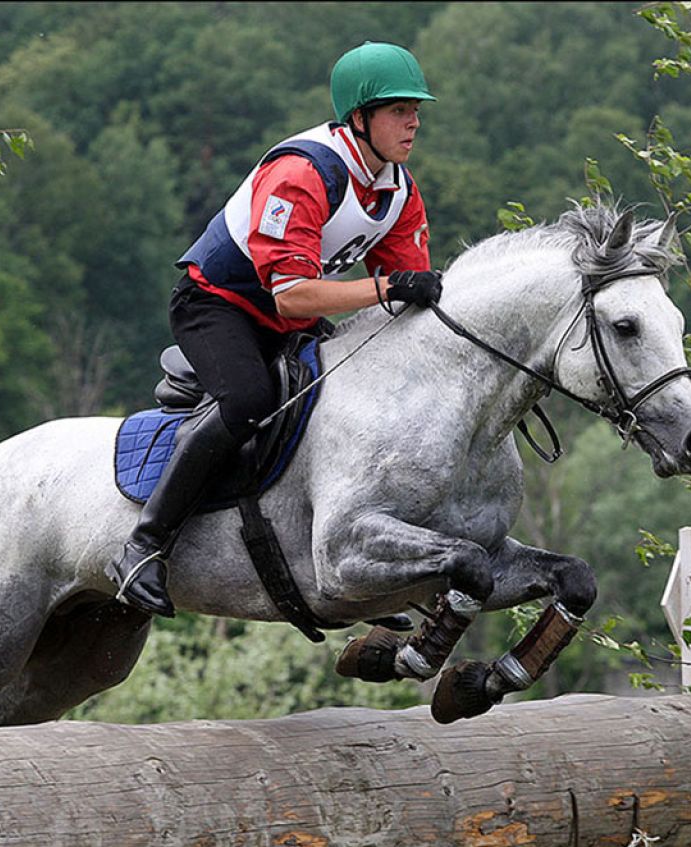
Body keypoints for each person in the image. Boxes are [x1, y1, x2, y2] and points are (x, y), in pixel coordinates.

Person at [106, 41, 445, 617]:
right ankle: (143, 545)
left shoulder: (398, 192)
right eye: (397, 110)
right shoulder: (302, 174)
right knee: (247, 400)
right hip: (217, 304)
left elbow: (408, 296)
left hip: (294, 312)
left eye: (416, 109)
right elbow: (293, 298)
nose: (413, 121)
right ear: (358, 118)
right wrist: (389, 289)